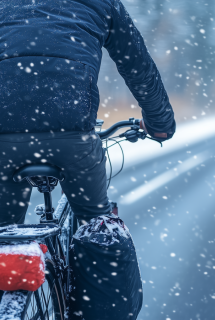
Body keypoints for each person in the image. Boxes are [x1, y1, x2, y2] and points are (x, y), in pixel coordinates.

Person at [0, 0, 176, 319]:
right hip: (72, 136)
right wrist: (160, 124)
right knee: (98, 227)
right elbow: (137, 66)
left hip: (3, 136)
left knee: (5, 237)